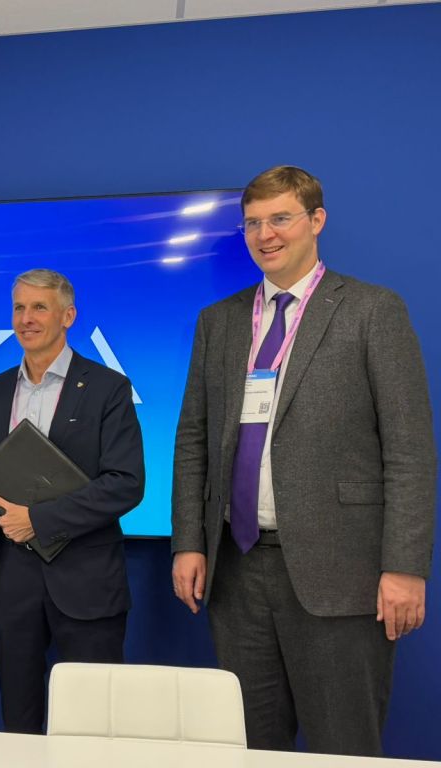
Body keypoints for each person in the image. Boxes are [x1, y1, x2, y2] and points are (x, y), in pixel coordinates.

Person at [171, 166, 436, 755]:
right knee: (250, 747)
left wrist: (404, 567)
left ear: (317, 221)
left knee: (344, 748)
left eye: (280, 219)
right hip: (236, 571)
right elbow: (193, 441)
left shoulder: (372, 310)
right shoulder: (219, 321)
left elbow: (409, 451)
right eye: (252, 223)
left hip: (342, 572)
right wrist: (188, 541)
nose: (265, 235)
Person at [0, 268, 145, 734]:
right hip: (10, 576)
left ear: (68, 316)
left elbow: (125, 483)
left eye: (39, 307)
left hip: (85, 578)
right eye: (19, 308)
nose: (26, 318)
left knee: (92, 723)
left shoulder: (108, 387)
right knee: (18, 720)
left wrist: (40, 520)